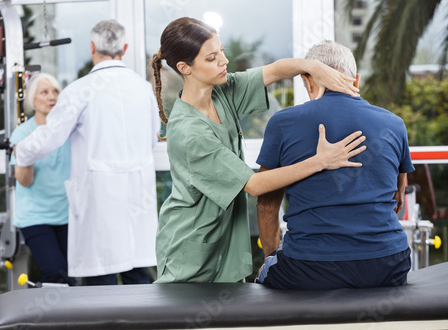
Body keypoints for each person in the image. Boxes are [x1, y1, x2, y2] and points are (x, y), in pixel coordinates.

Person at [151, 17, 367, 284]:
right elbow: (253, 185)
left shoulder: (222, 91)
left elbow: (276, 70)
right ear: (185, 67)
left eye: (222, 51)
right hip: (191, 246)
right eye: (211, 58)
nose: (224, 61)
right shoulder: (188, 131)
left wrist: (313, 66)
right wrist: (320, 161)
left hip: (224, 241)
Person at [256, 40, 415, 290]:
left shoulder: (283, 122)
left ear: (308, 80)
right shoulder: (395, 124)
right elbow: (398, 198)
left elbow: (266, 204)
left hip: (308, 267)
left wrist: (271, 256)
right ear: (357, 80)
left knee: (267, 274)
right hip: (389, 264)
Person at [14, 19, 160, 285]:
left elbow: (49, 137)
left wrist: (21, 152)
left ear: (92, 47)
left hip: (98, 201)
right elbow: (152, 140)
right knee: (138, 281)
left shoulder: (80, 90)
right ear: (124, 48)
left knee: (99, 287)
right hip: (138, 199)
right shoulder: (144, 89)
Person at [10, 73, 73, 284]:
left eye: (55, 91)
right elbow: (24, 181)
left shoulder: (67, 131)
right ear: (32, 100)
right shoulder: (22, 134)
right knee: (55, 272)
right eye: (44, 92)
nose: (51, 97)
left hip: (66, 214)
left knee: (72, 275)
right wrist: (27, 152)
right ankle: (42, 316)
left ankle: (70, 317)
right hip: (35, 216)